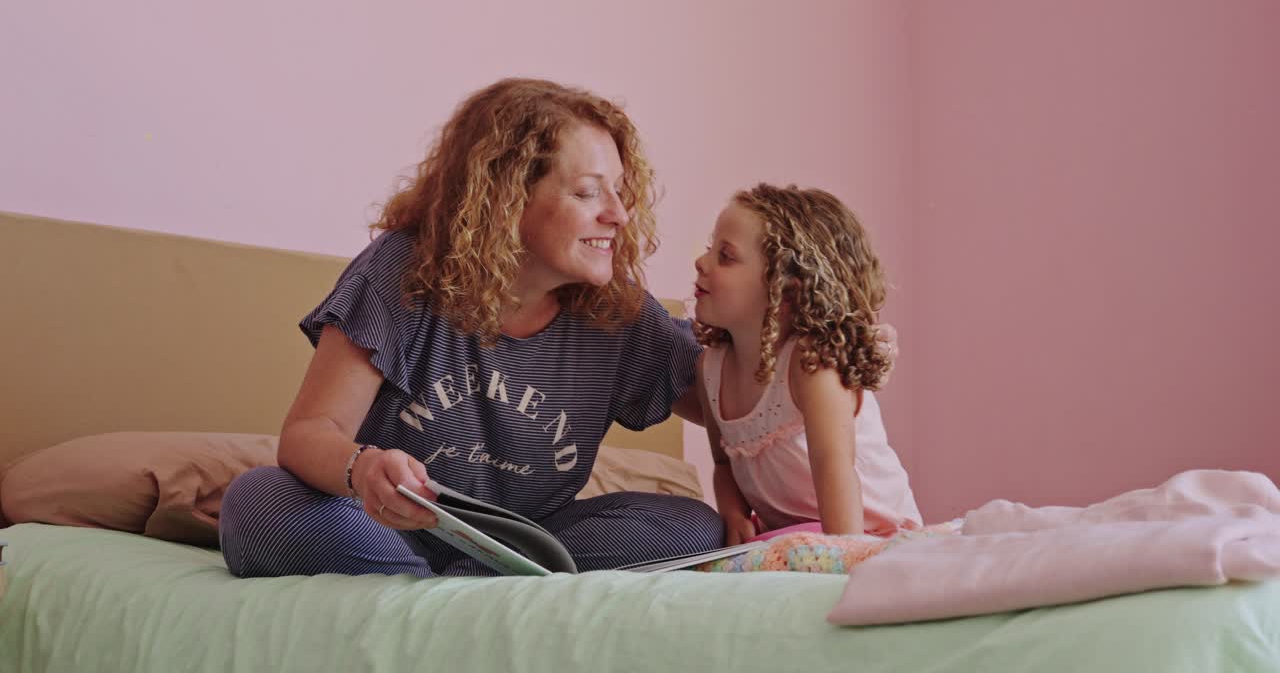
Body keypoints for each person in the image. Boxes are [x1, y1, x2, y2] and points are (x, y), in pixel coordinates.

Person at [219, 78, 724, 577]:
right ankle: (456, 595)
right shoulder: (402, 273)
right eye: (589, 192)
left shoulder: (617, 312)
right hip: (386, 528)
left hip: (525, 542)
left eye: (619, 190)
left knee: (692, 525)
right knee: (259, 502)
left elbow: (735, 405)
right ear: (507, 197)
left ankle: (449, 594)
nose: (618, 214)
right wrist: (364, 468)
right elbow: (309, 433)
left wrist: (751, 314)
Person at [691, 184, 921, 545]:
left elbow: (836, 468)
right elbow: (723, 464)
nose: (701, 262)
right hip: (793, 536)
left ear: (786, 290)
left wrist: (843, 557)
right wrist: (734, 515)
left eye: (725, 256)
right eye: (710, 248)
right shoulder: (711, 368)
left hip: (867, 532)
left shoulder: (812, 366)